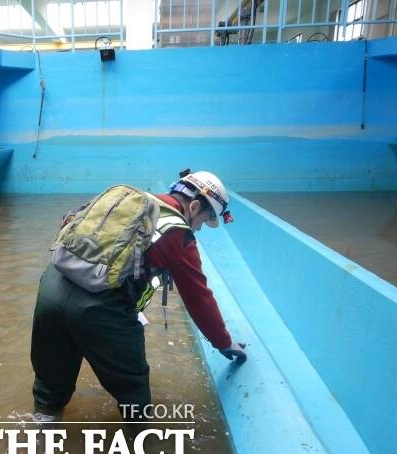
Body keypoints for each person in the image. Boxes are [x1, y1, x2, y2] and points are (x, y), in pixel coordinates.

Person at [30, 170, 247, 422]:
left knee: (50, 386)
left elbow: (70, 224)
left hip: (51, 287)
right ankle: (141, 452)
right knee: (134, 393)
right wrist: (223, 342)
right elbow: (199, 299)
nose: (198, 228)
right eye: (203, 221)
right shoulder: (179, 233)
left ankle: (41, 439)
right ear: (195, 206)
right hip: (97, 309)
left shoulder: (128, 199)